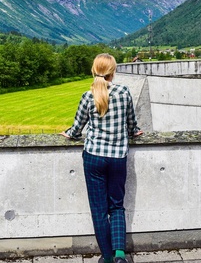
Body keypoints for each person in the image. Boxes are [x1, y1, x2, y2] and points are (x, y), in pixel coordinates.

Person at [61, 53, 143, 263]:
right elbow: (132, 124)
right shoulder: (124, 92)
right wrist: (134, 132)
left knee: (99, 210)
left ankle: (106, 258)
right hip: (117, 158)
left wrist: (69, 133)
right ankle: (119, 256)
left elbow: (77, 129)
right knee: (116, 206)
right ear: (113, 72)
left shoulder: (88, 96)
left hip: (94, 158)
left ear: (93, 70)